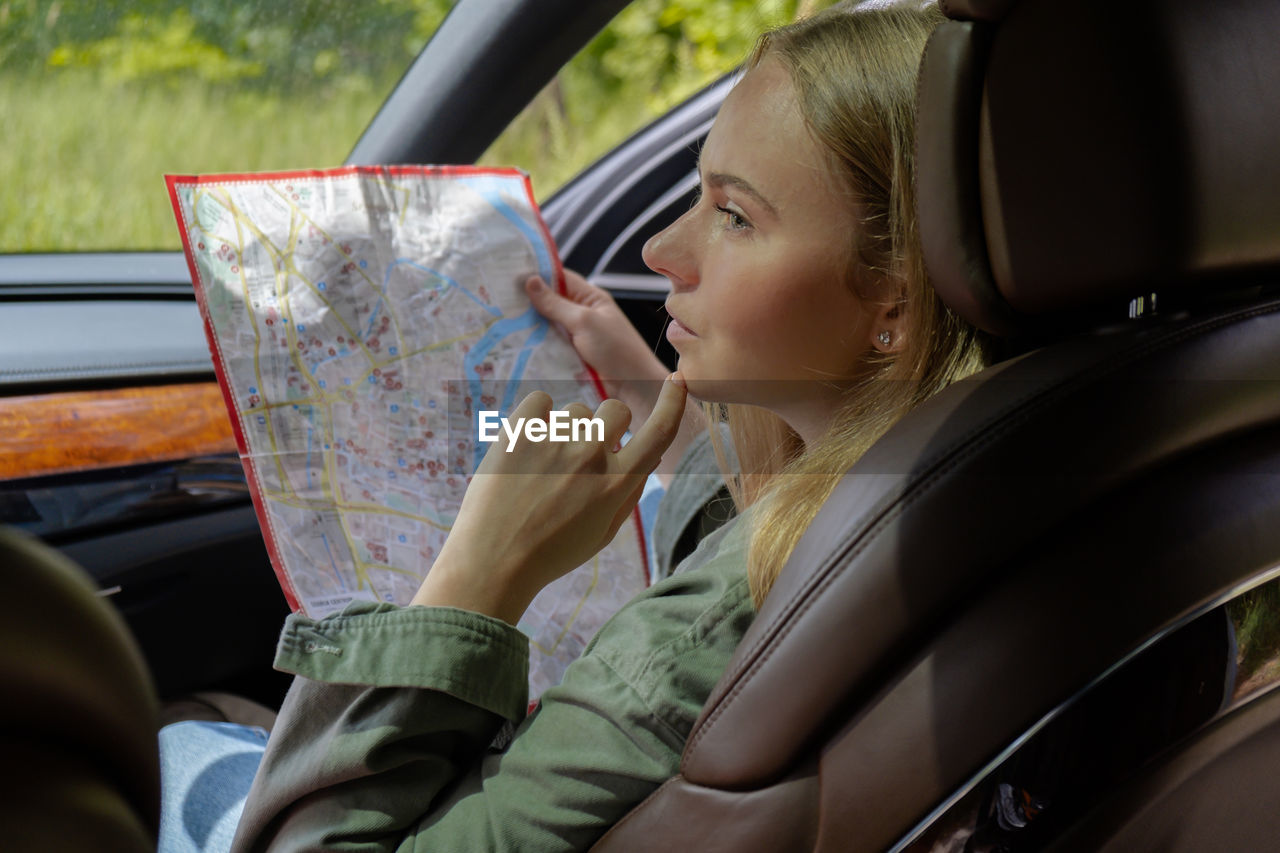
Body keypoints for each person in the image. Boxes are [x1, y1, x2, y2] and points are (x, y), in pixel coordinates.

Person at [160, 3, 991, 851]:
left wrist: (478, 569)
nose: (662, 249)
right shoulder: (986, 451)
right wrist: (645, 384)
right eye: (694, 197)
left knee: (176, 741)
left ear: (895, 297)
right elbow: (755, 519)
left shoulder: (693, 642)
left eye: (734, 216)